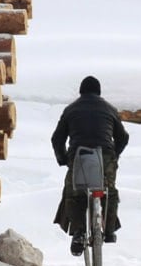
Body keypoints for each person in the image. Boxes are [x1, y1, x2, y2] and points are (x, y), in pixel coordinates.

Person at [51, 75, 129, 256]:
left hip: (80, 157)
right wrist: (113, 156)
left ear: (81, 92)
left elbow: (57, 139)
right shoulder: (109, 109)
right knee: (109, 191)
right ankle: (109, 231)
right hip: (105, 158)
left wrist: (63, 159)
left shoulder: (71, 110)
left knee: (73, 194)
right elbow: (123, 137)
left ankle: (78, 233)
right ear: (99, 92)